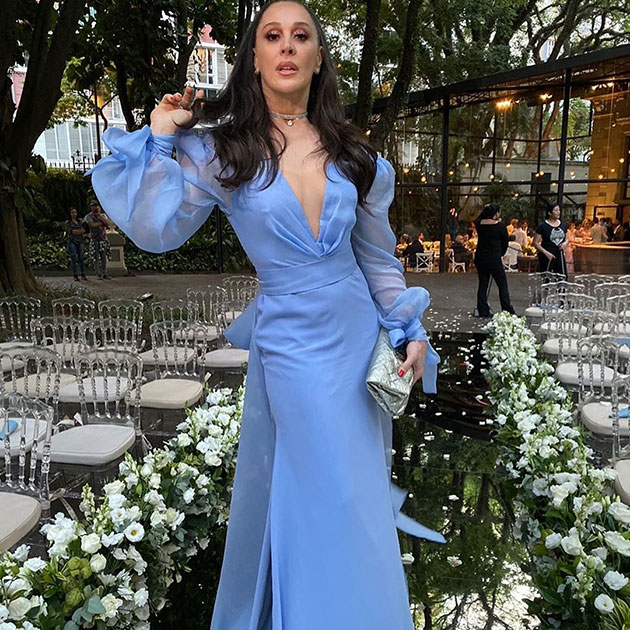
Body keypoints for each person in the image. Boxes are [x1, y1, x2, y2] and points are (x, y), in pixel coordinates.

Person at [87, 2, 444, 628]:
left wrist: (408, 326)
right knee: (319, 487)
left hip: (356, 339)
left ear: (318, 57)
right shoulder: (226, 152)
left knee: (358, 490)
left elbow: (375, 258)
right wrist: (162, 133)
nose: (286, 46)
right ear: (253, 58)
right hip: (291, 348)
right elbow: (154, 227)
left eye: (300, 36)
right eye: (271, 36)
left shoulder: (354, 155)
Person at [474, 203, 515, 318]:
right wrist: (500, 253)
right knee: (502, 285)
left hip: (480, 257)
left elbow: (477, 219)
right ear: (495, 213)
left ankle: (482, 309)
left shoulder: (479, 224)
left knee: (483, 284)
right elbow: (505, 243)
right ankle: (507, 309)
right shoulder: (500, 226)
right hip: (494, 258)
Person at [534, 202, 568, 276]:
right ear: (549, 213)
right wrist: (546, 253)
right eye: (556, 210)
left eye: (559, 210)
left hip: (559, 254)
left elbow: (567, 238)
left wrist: (564, 244)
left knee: (561, 276)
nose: (558, 212)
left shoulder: (563, 225)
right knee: (547, 277)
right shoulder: (543, 226)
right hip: (547, 254)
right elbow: (535, 242)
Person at [84, 200, 112, 279]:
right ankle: (98, 273)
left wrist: (100, 217)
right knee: (96, 256)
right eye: (93, 206)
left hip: (103, 238)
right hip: (94, 239)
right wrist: (101, 223)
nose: (95, 208)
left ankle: (104, 272)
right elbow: (92, 225)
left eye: (96, 206)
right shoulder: (88, 216)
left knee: (103, 256)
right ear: (91, 207)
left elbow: (107, 223)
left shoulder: (103, 215)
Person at [66, 208, 87, 281]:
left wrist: (79, 231)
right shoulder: (68, 222)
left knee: (81, 258)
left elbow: (83, 230)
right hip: (72, 241)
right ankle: (75, 275)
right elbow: (71, 231)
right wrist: (79, 231)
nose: (74, 214)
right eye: (72, 212)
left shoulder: (80, 221)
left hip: (80, 241)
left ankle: (83, 274)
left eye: (75, 212)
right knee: (74, 258)